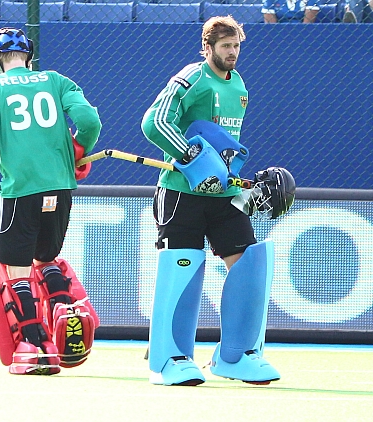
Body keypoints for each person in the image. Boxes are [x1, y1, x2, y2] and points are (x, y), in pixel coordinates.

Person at [140, 15, 295, 386]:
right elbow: (154, 122)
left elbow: (223, 148)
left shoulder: (239, 84)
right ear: (207, 47)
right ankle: (170, 358)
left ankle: (235, 357)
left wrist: (241, 184)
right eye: (226, 46)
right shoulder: (191, 78)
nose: (233, 52)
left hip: (225, 197)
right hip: (181, 193)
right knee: (183, 266)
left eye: (236, 46)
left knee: (249, 264)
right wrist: (189, 156)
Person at [0, 27, 102, 375]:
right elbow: (90, 121)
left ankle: (34, 344)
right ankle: (62, 306)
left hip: (20, 189)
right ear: (29, 56)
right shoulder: (57, 80)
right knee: (46, 258)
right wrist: (78, 150)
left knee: (16, 268)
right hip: (60, 187)